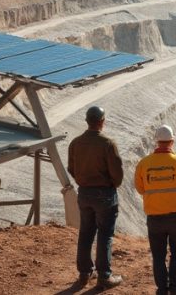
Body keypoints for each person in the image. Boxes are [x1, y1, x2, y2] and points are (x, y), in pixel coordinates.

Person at [67, 105, 125, 289]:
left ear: (87, 121)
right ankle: (104, 276)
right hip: (105, 194)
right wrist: (110, 185)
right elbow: (117, 175)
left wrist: (83, 182)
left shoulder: (75, 143)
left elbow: (71, 168)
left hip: (84, 193)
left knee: (85, 233)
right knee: (105, 234)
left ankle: (84, 274)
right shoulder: (108, 144)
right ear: (102, 121)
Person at [134, 124, 176, 295]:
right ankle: (175, 290)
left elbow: (140, 188)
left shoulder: (144, 163)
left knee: (158, 256)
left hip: (154, 216)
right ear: (172, 141)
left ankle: (161, 290)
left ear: (156, 142)